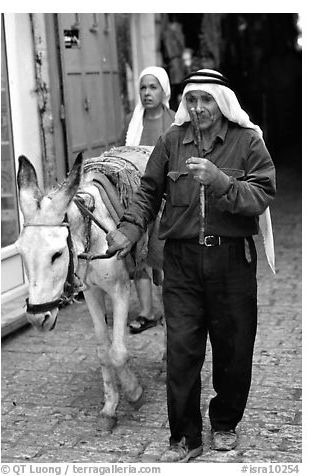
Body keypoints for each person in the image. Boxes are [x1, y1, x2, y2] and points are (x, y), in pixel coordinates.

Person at [106, 69, 276, 462]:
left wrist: (220, 181)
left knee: (234, 350)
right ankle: (185, 438)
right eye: (192, 99)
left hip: (231, 261)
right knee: (181, 351)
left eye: (206, 99)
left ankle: (224, 423)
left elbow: (263, 193)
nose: (198, 107)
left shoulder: (247, 141)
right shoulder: (170, 141)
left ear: (222, 102)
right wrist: (130, 230)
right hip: (181, 261)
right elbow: (148, 192)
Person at [124, 66, 175, 334]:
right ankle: (147, 311)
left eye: (153, 87)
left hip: (167, 198)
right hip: (140, 197)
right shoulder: (134, 123)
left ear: (163, 90)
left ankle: (171, 311)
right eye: (143, 87)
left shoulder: (176, 121)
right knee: (138, 255)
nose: (147, 93)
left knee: (164, 255)